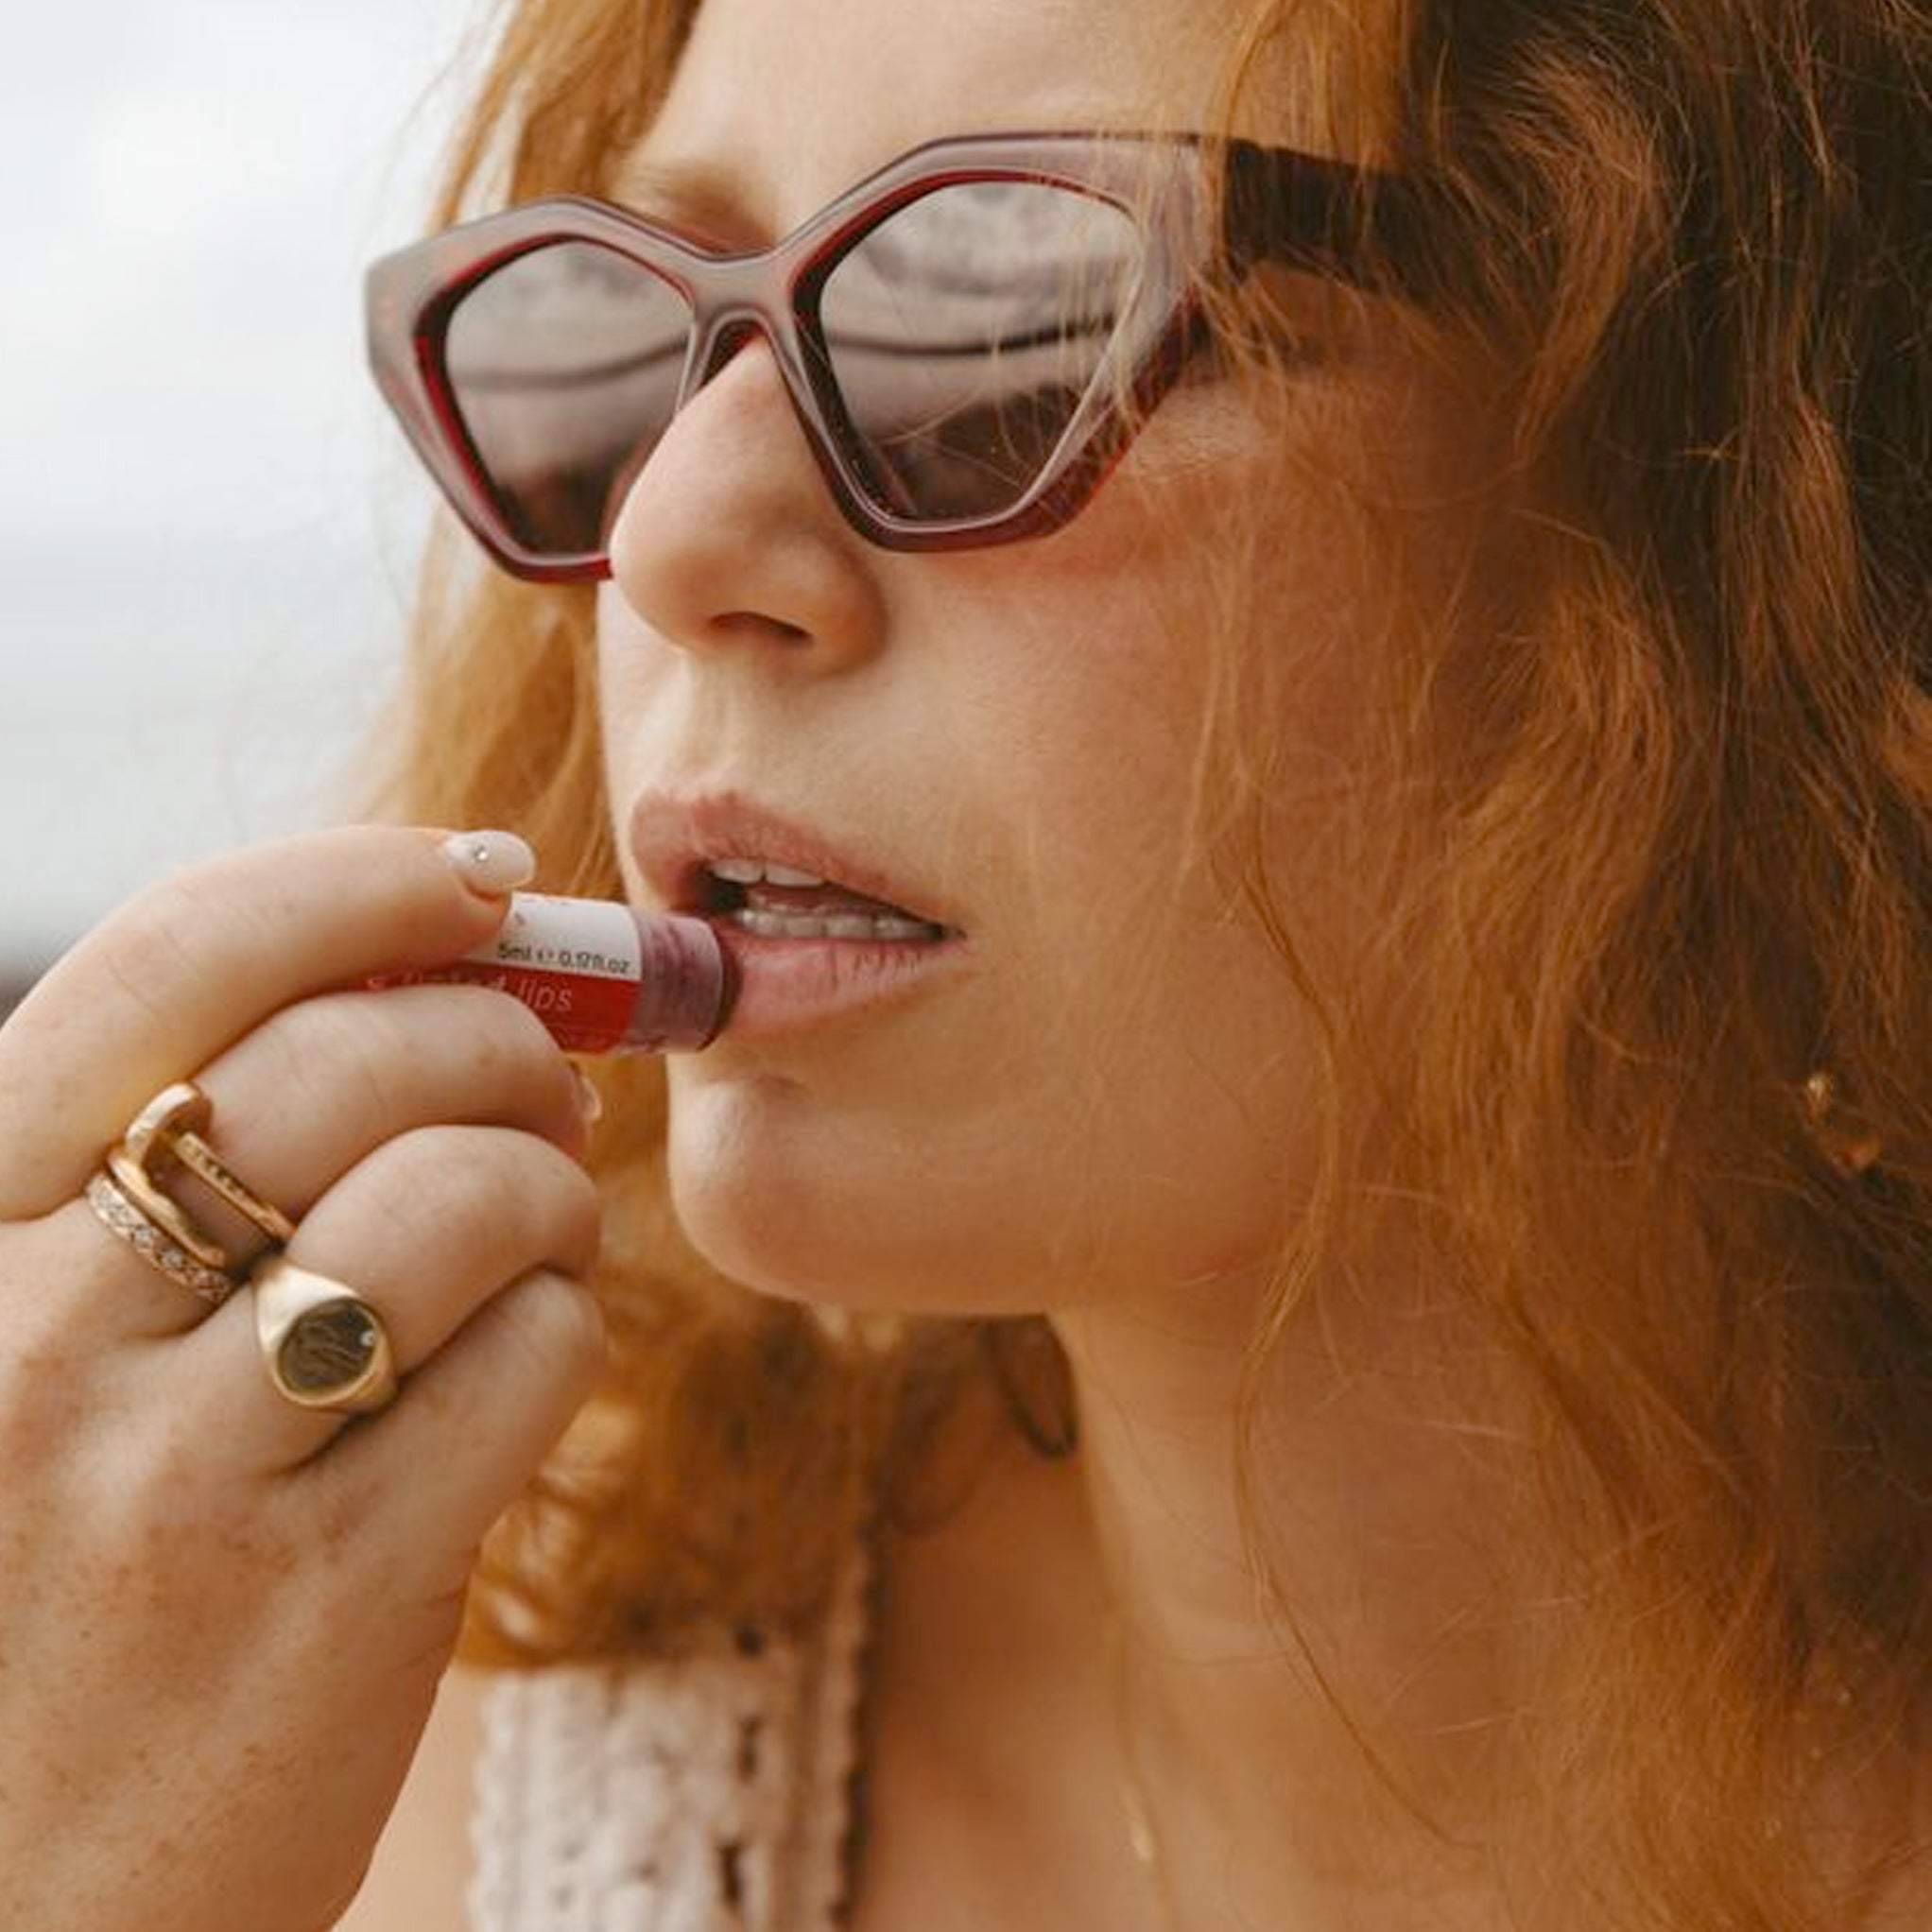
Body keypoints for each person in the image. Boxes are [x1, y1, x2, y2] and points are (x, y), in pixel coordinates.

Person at [3, 0, 1928, 1925]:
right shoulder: (398, 1681)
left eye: (999, 324)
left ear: (1766, 531)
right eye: (626, 334)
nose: (670, 534)